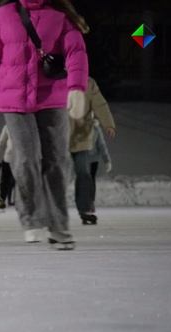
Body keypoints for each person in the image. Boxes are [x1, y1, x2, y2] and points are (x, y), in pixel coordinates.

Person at [0, 0, 90, 248]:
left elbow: (76, 51)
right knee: (27, 158)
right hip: (15, 99)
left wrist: (76, 87)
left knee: (56, 161)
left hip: (51, 98)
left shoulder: (59, 16)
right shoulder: (3, 16)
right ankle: (31, 217)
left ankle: (59, 227)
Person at [69, 77, 116, 225]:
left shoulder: (88, 83)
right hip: (60, 136)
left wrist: (108, 123)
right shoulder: (57, 80)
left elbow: (100, 104)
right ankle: (51, 211)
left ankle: (85, 209)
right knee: (54, 175)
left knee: (84, 175)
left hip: (81, 136)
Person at [0, 125, 15, 210]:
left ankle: (2, 199)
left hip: (9, 157)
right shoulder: (31, 124)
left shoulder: (8, 125)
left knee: (5, 180)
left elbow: (1, 143)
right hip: (24, 158)